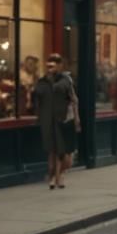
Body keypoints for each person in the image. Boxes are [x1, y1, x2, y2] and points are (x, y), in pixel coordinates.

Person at [31, 54, 80, 190]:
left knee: (63, 152)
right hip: (47, 120)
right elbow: (37, 100)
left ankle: (61, 174)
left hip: (62, 119)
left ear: (59, 66)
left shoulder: (65, 81)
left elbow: (74, 100)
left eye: (52, 66)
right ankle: (53, 176)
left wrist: (76, 119)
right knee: (52, 150)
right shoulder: (42, 82)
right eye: (48, 66)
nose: (49, 68)